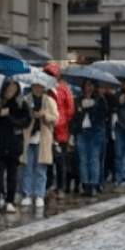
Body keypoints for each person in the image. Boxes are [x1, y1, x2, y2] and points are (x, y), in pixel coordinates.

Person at [0, 79, 31, 212]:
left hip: (14, 144)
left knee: (12, 175)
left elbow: (26, 121)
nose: (10, 92)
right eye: (8, 89)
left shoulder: (21, 104)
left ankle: (10, 200)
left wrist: (11, 117)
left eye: (13, 89)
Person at [20, 78, 60, 209]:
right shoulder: (26, 99)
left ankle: (39, 195)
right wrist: (32, 115)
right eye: (35, 86)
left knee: (41, 169)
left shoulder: (49, 100)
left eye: (40, 87)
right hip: (28, 137)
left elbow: (56, 118)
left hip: (43, 138)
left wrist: (45, 115)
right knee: (27, 167)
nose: (37, 89)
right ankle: (27, 194)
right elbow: (22, 115)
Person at [73, 79, 110, 196]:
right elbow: (74, 116)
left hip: (96, 131)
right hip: (82, 131)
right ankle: (85, 184)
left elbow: (104, 115)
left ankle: (94, 184)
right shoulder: (78, 99)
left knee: (94, 158)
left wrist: (91, 106)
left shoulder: (100, 100)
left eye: (91, 85)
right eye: (87, 85)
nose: (89, 88)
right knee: (83, 159)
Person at [47, 63, 75, 196]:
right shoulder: (48, 88)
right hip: (49, 128)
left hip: (60, 129)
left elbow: (70, 109)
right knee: (48, 160)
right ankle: (50, 184)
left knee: (60, 160)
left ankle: (61, 186)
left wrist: (62, 121)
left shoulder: (63, 89)